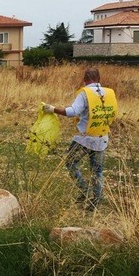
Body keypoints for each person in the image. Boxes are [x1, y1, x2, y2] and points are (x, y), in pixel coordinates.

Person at [43, 68, 118, 210]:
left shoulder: (85, 93)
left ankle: (84, 189)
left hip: (84, 138)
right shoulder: (109, 93)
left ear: (84, 80)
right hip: (102, 136)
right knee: (97, 171)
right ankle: (96, 200)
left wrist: (53, 109)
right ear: (99, 79)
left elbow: (72, 112)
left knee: (70, 162)